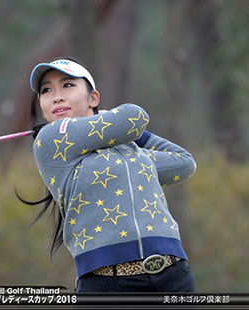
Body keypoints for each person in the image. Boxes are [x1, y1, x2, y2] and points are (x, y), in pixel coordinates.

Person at [23, 56, 197, 292]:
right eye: (46, 90)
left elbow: (184, 162)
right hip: (109, 284)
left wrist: (127, 136)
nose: (57, 96)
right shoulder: (51, 138)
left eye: (67, 85)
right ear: (42, 106)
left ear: (93, 97)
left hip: (173, 276)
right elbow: (134, 117)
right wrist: (120, 128)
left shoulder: (132, 153)